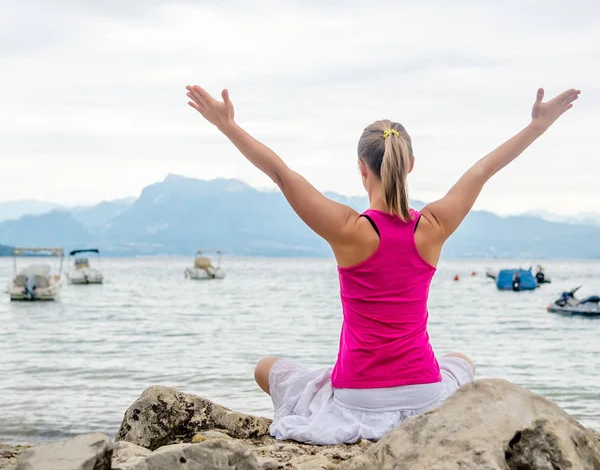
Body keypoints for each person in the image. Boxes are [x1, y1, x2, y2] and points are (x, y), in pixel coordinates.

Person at [185, 84, 580, 445]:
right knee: (462, 362)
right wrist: (537, 126)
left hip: (357, 395)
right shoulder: (433, 226)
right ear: (410, 165)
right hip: (423, 392)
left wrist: (227, 125)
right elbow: (483, 169)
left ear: (361, 168)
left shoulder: (349, 230)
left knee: (265, 368)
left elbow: (282, 175)